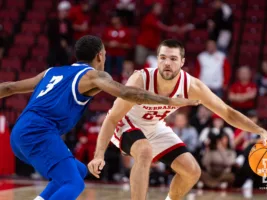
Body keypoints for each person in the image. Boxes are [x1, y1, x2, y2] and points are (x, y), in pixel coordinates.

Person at [0, 36, 198, 200]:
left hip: (19, 133)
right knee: (73, 184)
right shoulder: (95, 76)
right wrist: (169, 101)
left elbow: (10, 87)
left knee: (78, 171)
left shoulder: (51, 72)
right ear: (100, 56)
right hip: (39, 132)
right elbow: (129, 93)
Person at [88, 39, 267, 200]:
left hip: (154, 126)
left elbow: (227, 112)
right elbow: (112, 117)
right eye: (163, 57)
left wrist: (261, 131)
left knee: (192, 171)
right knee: (145, 151)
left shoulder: (191, 86)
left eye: (173, 59)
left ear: (182, 62)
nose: (167, 63)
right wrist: (99, 155)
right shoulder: (140, 80)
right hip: (125, 123)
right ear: (157, 59)